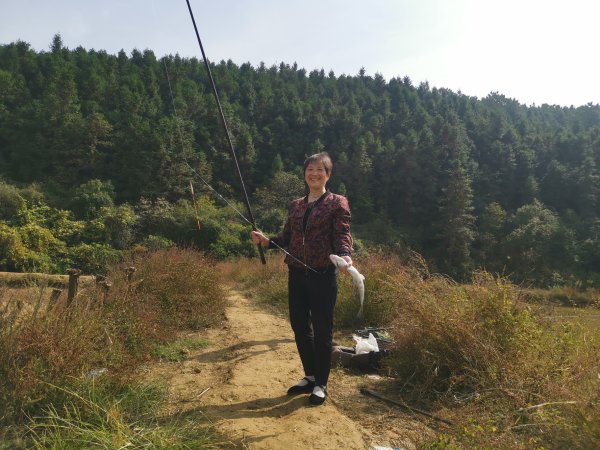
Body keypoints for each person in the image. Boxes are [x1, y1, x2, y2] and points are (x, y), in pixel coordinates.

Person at [251, 152, 353, 406]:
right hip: (296, 274)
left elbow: (342, 233)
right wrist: (266, 241)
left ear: (328, 174)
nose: (314, 174)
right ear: (305, 173)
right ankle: (310, 376)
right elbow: (287, 238)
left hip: (323, 275)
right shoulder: (296, 205)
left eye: (320, 169)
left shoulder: (337, 202)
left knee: (322, 330)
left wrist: (344, 255)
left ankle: (321, 384)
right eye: (310, 169)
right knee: (299, 326)